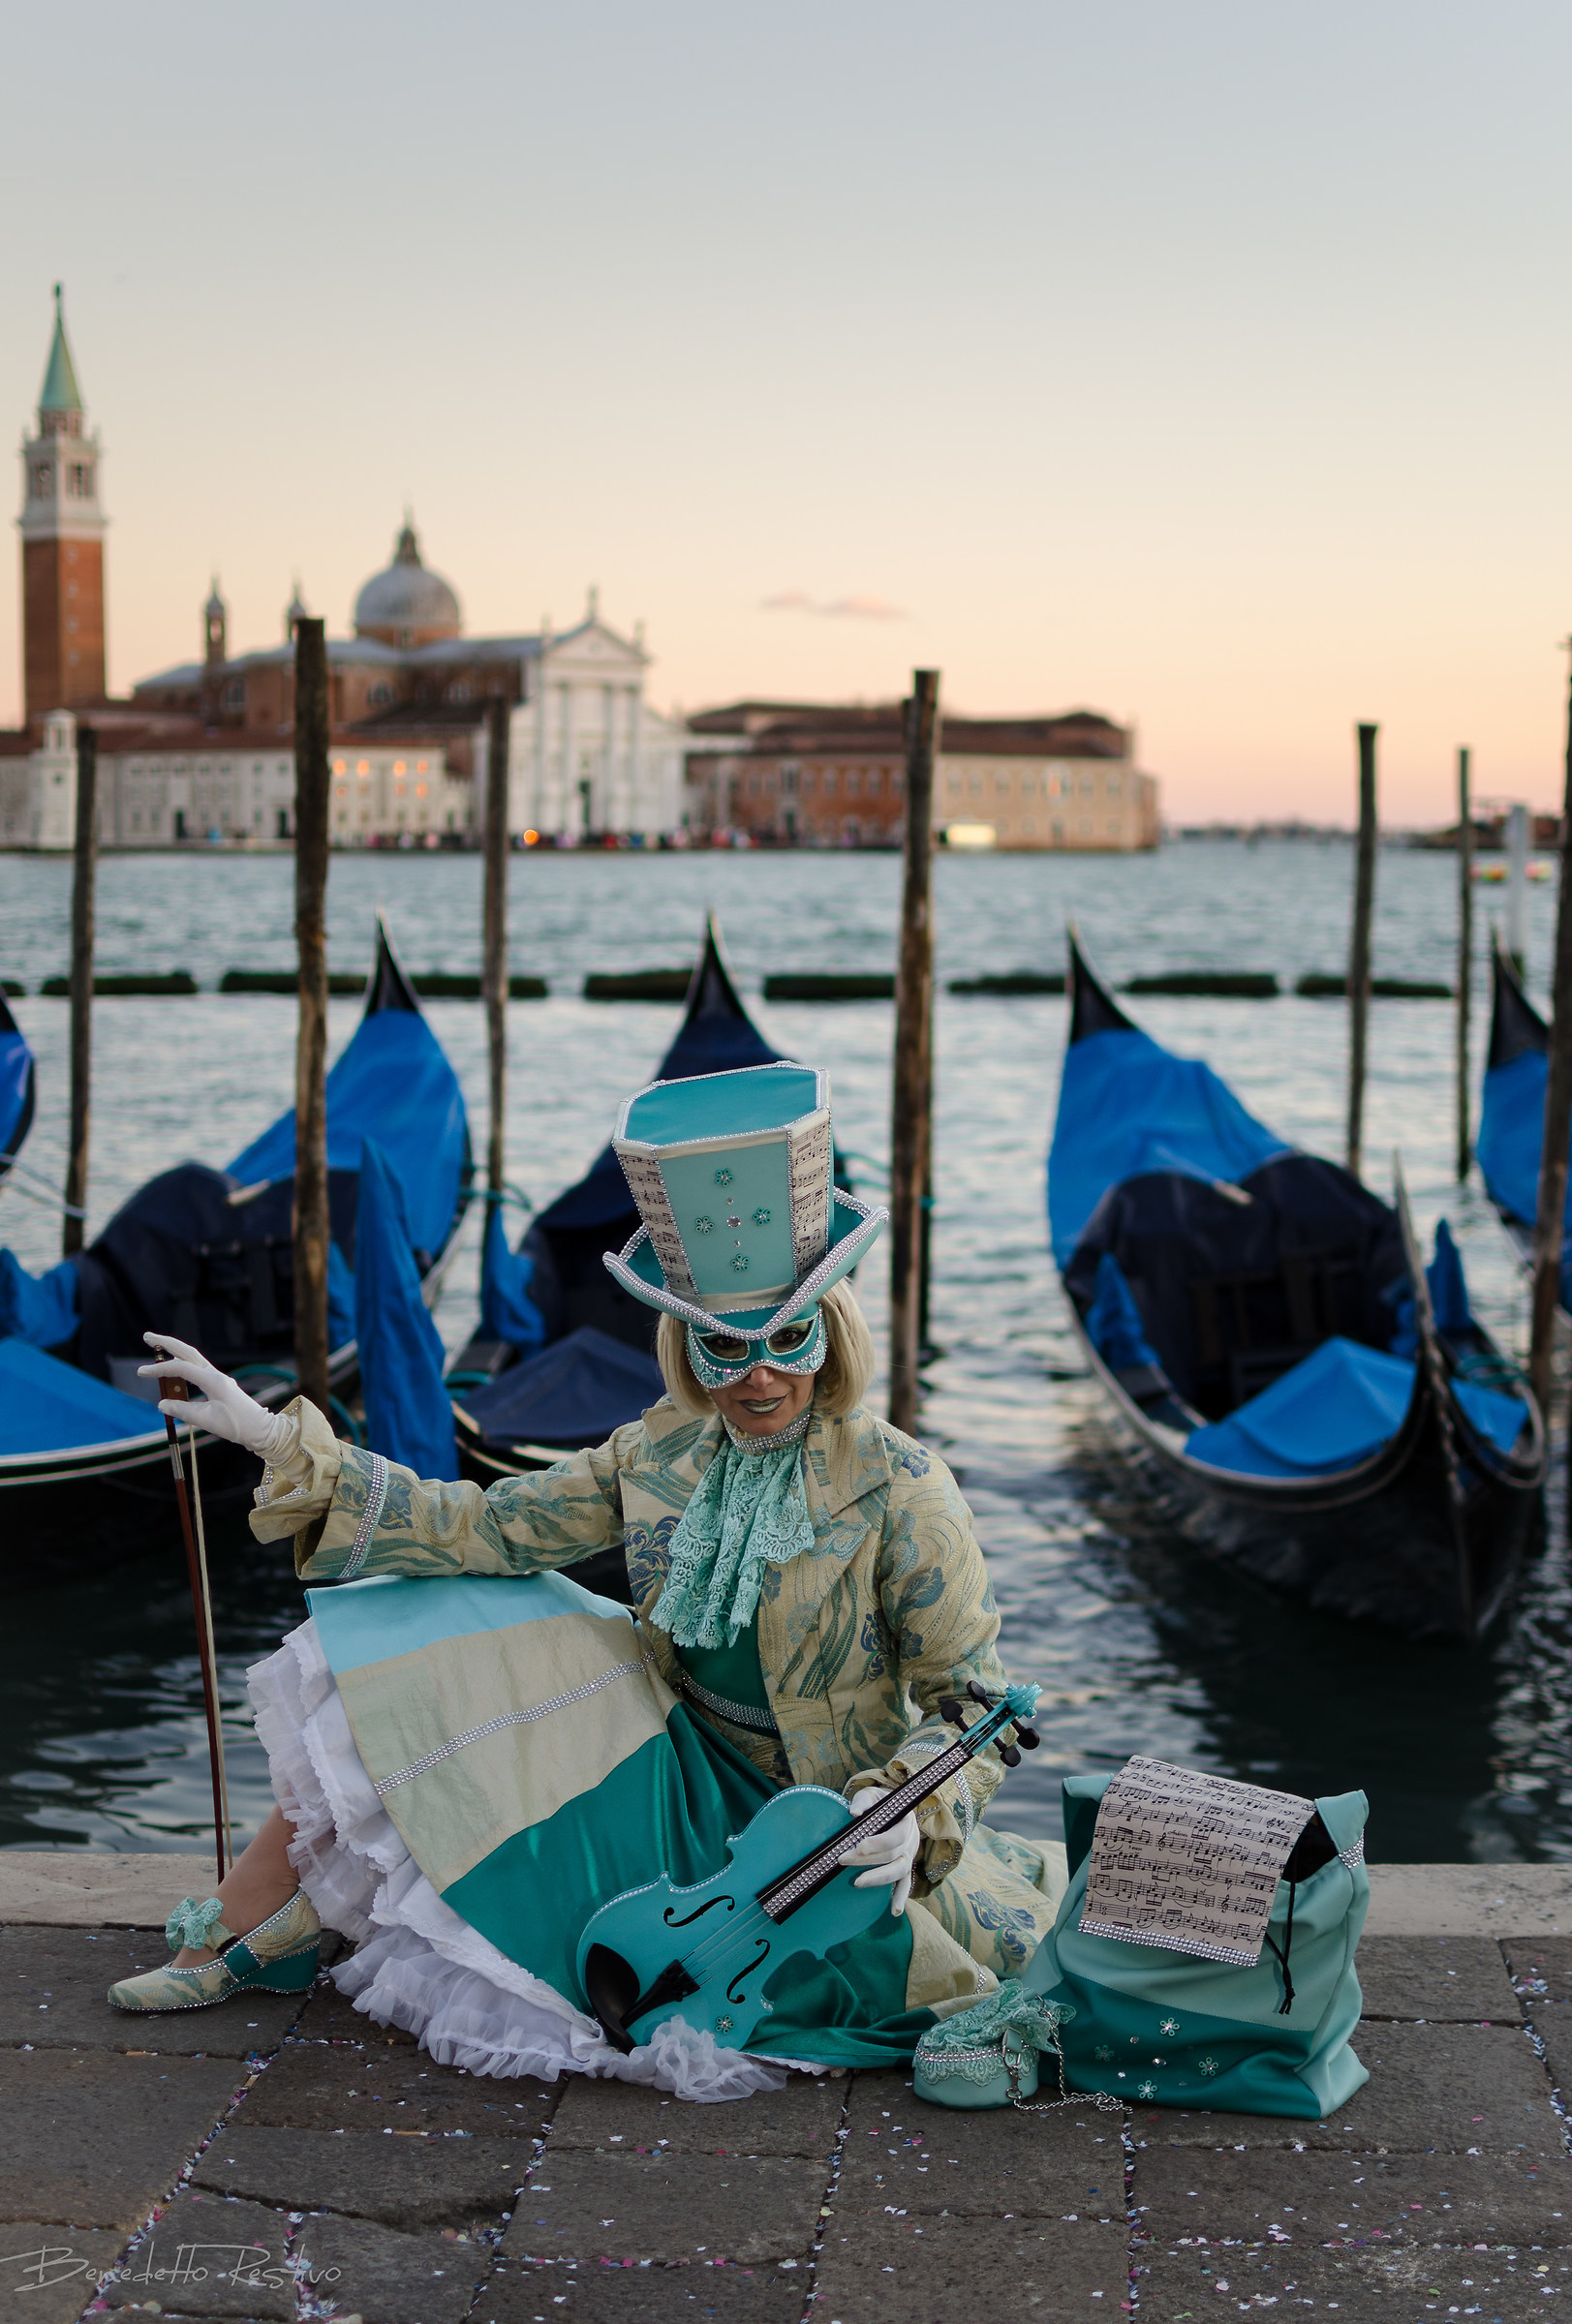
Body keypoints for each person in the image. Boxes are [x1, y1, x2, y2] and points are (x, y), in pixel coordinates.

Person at [110, 1061, 1063, 2099]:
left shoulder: (906, 1489)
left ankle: (295, 1918)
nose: (758, 1377)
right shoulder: (656, 1453)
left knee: (878, 1988)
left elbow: (975, 1701)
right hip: (668, 1759)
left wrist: (905, 1812)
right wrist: (280, 1441)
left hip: (809, 1827)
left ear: (830, 1333)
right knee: (422, 1613)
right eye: (724, 1345)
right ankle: (269, 1914)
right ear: (685, 1345)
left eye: (787, 1338)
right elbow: (480, 1526)